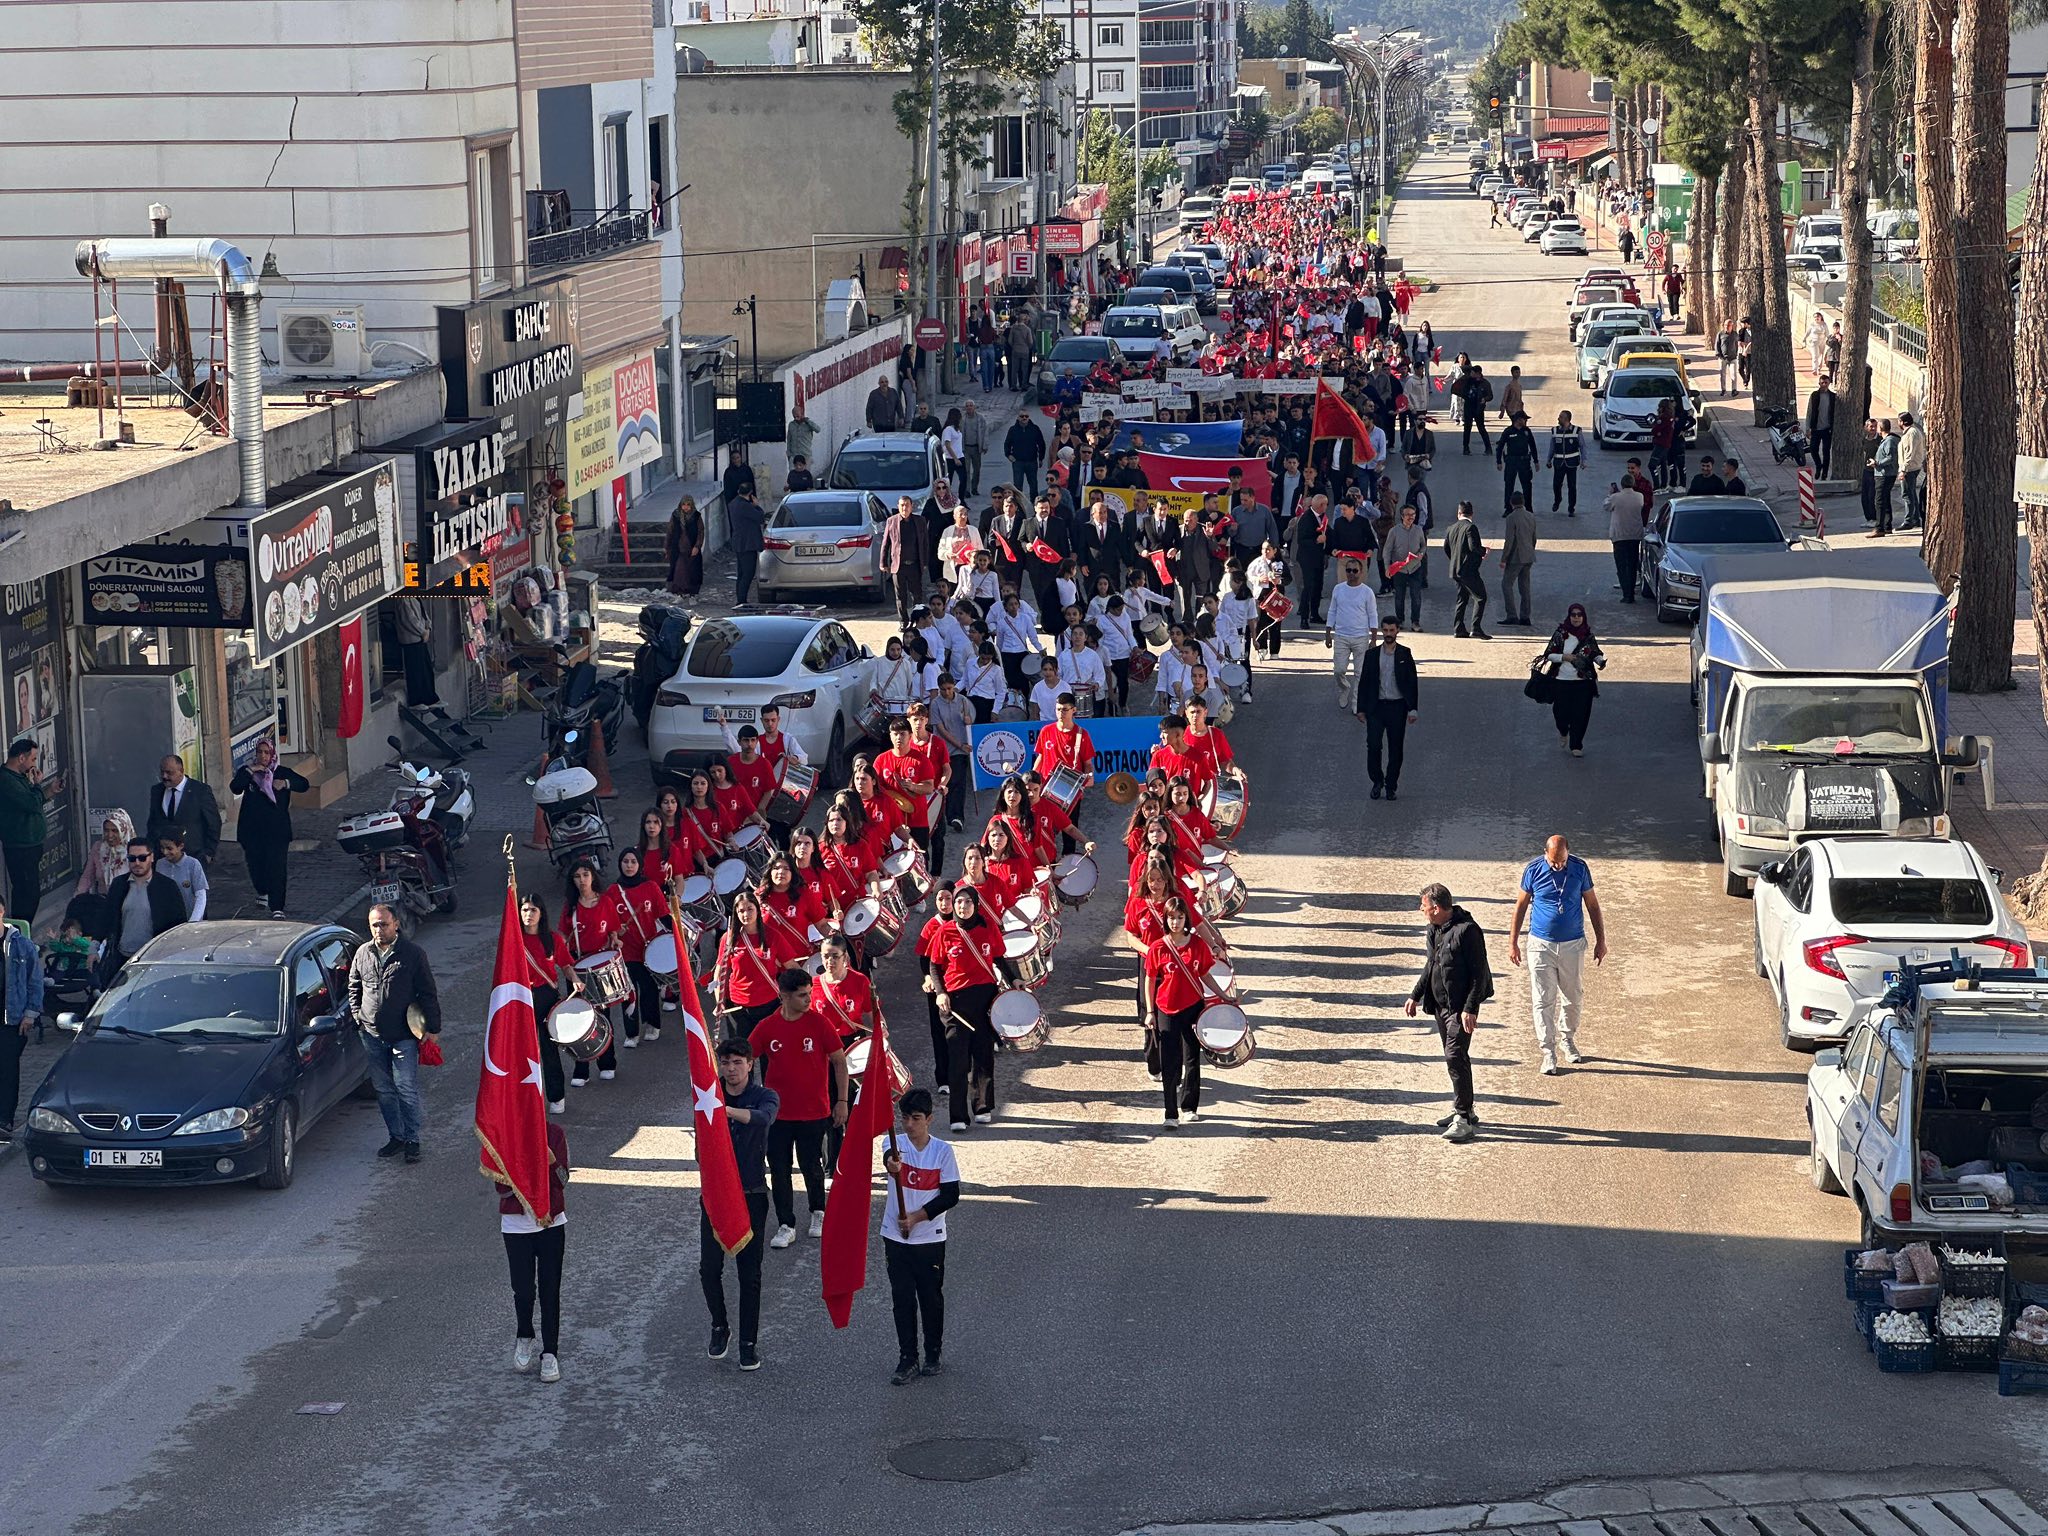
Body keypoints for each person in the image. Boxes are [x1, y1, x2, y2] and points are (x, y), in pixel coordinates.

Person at [750, 967, 848, 1249]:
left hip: (814, 1112)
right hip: (777, 1115)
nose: (808, 1000)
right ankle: (786, 1223)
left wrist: (841, 1102)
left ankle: (818, 1211)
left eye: (809, 994)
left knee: (811, 1165)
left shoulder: (819, 1023)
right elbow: (745, 1059)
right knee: (779, 1169)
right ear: (784, 997)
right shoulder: (768, 1027)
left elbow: (840, 1062)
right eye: (802, 995)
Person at [347, 902, 443, 1163]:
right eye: (374, 925)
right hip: (372, 1036)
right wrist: (358, 1016)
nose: (379, 930)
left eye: (383, 924)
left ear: (396, 924)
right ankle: (396, 1137)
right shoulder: (363, 953)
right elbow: (354, 986)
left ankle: (412, 1139)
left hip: (403, 1036)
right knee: (384, 1090)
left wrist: (432, 1029)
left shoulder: (412, 954)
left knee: (405, 1089)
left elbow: (428, 993)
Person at [704, 1037, 777, 1372]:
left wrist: (724, 1109)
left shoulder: (764, 1095)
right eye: (725, 1063)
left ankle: (749, 1343)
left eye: (737, 1063)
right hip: (715, 1194)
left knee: (750, 1275)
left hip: (751, 1194)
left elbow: (763, 1119)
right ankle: (721, 1325)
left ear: (750, 1065)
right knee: (709, 1269)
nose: (730, 1070)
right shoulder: (708, 1093)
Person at [1509, 834, 1608, 1076]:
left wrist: (1601, 940)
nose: (1558, 866)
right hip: (1540, 945)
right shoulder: (1533, 870)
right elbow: (1520, 906)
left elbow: (1592, 905)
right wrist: (1513, 942)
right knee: (1543, 1000)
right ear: (1546, 854)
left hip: (1572, 944)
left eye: (1562, 862)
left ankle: (1568, 1038)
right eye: (1554, 862)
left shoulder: (1580, 868)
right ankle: (1548, 1051)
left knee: (1573, 996)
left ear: (1568, 854)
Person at [1404, 882, 1493, 1144]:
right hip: (1440, 1006)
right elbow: (1430, 965)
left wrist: (1470, 1008)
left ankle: (1463, 1119)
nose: (1421, 909)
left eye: (1424, 906)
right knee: (1455, 1057)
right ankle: (1465, 1108)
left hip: (1460, 1008)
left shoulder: (1468, 931)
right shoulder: (1433, 929)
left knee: (1454, 1055)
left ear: (1436, 908)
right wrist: (1415, 994)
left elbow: (1479, 974)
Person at [882, 1086, 960, 1384]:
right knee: (902, 1298)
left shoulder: (942, 1151)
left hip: (929, 1238)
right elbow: (890, 1158)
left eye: (916, 1118)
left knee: (930, 1298)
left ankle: (933, 1352)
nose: (909, 1125)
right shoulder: (895, 1143)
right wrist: (892, 1165)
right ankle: (907, 1358)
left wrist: (916, 1217)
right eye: (905, 1118)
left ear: (929, 1118)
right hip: (895, 1237)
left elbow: (950, 1195)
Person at [500, 1119, 569, 1384]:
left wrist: (550, 1161)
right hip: (516, 1225)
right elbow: (501, 1187)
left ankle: (550, 1352)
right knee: (524, 1289)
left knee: (550, 1290)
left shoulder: (555, 1133)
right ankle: (524, 1334)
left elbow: (563, 1179)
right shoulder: (504, 1135)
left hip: (551, 1223)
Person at [1140, 896, 1217, 1128]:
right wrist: (1150, 1011)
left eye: (1180, 917)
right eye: (1171, 918)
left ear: (1186, 919)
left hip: (1193, 1007)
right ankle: (1170, 1113)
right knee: (1170, 1062)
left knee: (1192, 1059)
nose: (1175, 922)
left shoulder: (1197, 945)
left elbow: (1204, 974)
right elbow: (1150, 980)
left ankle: (1189, 1107)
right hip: (1166, 1009)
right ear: (1166, 919)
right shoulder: (1158, 947)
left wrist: (1224, 995)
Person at [229, 738, 309, 916]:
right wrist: (251, 771)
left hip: (276, 831)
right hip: (252, 831)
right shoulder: (248, 773)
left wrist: (286, 783)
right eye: (259, 752)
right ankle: (262, 891)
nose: (263, 756)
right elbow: (235, 787)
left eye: (266, 753)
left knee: (277, 868)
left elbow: (304, 784)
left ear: (272, 754)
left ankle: (277, 906)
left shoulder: (282, 772)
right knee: (256, 865)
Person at [98, 839, 186, 984]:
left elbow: (179, 924)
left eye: (142, 858)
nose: (137, 863)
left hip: (154, 959)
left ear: (151, 858)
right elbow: (107, 917)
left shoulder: (167, 887)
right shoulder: (119, 884)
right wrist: (94, 946)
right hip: (123, 957)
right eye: (132, 859)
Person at [1354, 616, 1419, 801]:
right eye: (1385, 630)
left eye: (1392, 630)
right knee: (1373, 746)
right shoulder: (1372, 655)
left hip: (1397, 708)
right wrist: (1361, 708)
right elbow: (1364, 682)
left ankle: (1391, 786)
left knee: (1395, 749)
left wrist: (1413, 709)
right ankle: (1377, 781)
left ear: (1398, 630)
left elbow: (1411, 683)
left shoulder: (1405, 654)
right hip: (1376, 707)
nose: (1388, 634)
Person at [0, 888, 45, 1142]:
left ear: (2, 912)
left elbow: (35, 981)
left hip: (12, 1018)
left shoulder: (20, 945)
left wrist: (30, 1014)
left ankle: (5, 1118)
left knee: (7, 1069)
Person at [0, 737, 56, 918]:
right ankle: (20, 937)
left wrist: (49, 790)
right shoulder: (6, 780)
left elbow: (34, 802)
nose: (34, 763)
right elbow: (30, 803)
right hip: (20, 846)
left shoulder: (20, 777)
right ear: (21, 758)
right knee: (27, 894)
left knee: (30, 892)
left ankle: (23, 935)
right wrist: (38, 787)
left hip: (31, 843)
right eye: (32, 759)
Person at [1541, 604, 1606, 755]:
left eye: (1579, 615)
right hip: (1561, 680)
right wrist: (1564, 657)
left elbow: (1595, 653)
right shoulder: (1560, 633)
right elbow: (1549, 654)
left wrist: (1600, 661)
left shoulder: (1588, 636)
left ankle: (1576, 745)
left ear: (1583, 617)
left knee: (1581, 714)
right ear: (1569, 616)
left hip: (1583, 682)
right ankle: (1563, 731)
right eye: (1573, 615)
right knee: (1561, 713)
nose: (1576, 617)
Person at [1324, 556, 1380, 708]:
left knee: (1360, 673)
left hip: (1361, 637)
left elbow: (1373, 616)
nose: (1351, 573)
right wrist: (1328, 633)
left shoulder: (1367, 592)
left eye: (1355, 570)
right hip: (1341, 636)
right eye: (1348, 570)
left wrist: (1373, 639)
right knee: (1339, 670)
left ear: (1361, 572)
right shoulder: (1338, 589)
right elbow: (1332, 611)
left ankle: (1356, 701)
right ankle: (1344, 688)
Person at [145, 755, 221, 866]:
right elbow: (153, 822)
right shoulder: (157, 791)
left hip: (192, 855)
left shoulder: (200, 791)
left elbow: (213, 823)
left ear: (181, 771)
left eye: (169, 773)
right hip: (163, 857)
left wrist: (209, 853)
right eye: (162, 772)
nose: (164, 776)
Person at [1443, 501, 1490, 640]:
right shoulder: (1471, 528)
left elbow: (1446, 547)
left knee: (1462, 598)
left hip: (1455, 570)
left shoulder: (1450, 528)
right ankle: (1476, 628)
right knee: (1481, 597)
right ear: (1472, 514)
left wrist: (1454, 560)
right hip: (1468, 571)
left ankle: (1458, 628)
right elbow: (1473, 547)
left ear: (1459, 513)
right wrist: (1484, 551)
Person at [1604, 476, 1647, 603]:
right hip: (1634, 534)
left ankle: (1626, 593)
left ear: (1622, 485)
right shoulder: (1639, 496)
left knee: (1622, 565)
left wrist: (1610, 494)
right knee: (1633, 564)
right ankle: (1631, 591)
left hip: (1620, 535)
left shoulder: (1615, 497)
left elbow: (1606, 506)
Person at [1498, 496, 1537, 627]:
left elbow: (1509, 540)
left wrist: (1504, 559)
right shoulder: (1531, 516)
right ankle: (1525, 617)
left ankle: (1512, 615)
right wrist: (1531, 551)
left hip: (1516, 557)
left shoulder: (1511, 518)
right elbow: (1534, 538)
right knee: (1525, 587)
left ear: (1511, 503)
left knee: (1506, 584)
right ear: (1523, 502)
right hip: (1529, 556)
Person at [154, 829, 208, 921]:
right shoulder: (160, 864)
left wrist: (194, 920)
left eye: (169, 848)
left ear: (180, 846)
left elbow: (201, 895)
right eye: (162, 848)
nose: (165, 852)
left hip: (189, 917)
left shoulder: (193, 864)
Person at [394, 594, 437, 706]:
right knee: (415, 671)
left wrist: (428, 627)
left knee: (425, 668)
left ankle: (430, 697)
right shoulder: (403, 599)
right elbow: (409, 619)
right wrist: (422, 631)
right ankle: (417, 701)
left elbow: (424, 614)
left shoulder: (415, 597)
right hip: (411, 639)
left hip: (421, 638)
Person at [728, 486, 767, 605]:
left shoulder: (733, 503)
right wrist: (756, 505)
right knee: (748, 573)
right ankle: (742, 600)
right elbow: (760, 517)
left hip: (739, 542)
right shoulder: (745, 506)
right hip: (748, 543)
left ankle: (741, 599)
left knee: (742, 573)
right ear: (750, 493)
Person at [664, 494, 705, 597]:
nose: (686, 507)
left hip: (691, 548)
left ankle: (692, 595)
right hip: (678, 548)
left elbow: (700, 532)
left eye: (688, 505)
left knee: (693, 572)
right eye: (684, 504)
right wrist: (667, 547)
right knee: (679, 573)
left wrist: (697, 546)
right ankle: (680, 594)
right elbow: (670, 531)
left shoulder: (696, 516)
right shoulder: (676, 516)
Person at [1547, 409, 1582, 516]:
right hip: (1558, 463)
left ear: (1566, 419)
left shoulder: (1576, 431)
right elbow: (1552, 447)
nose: (1558, 418)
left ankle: (1571, 508)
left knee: (1572, 486)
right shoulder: (1555, 431)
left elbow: (1583, 446)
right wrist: (1549, 459)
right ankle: (1557, 500)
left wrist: (1584, 461)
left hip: (1572, 463)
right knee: (1556, 485)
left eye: (1560, 417)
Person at [1005, 410, 1046, 499]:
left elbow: (1041, 443)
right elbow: (1007, 443)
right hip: (1018, 461)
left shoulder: (1035, 429)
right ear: (1018, 417)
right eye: (1022, 416)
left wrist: (1041, 458)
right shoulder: (1013, 430)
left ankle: (1034, 503)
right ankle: (1019, 504)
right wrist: (1008, 455)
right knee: (1018, 485)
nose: (1024, 418)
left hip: (1031, 461)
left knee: (1033, 484)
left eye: (1026, 416)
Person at [1870, 418, 1900, 537]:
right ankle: (1887, 526)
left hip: (1884, 474)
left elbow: (1890, 457)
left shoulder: (1889, 441)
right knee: (1885, 499)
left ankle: (1879, 528)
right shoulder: (1887, 440)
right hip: (1883, 473)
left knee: (1880, 501)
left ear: (1880, 429)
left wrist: (1877, 463)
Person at [1805, 373, 1838, 481]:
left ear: (1829, 383)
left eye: (1826, 382)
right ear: (1819, 383)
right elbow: (1809, 412)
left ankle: (1824, 473)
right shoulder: (1814, 395)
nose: (1824, 384)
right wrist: (1808, 428)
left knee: (1826, 451)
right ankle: (1819, 466)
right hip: (1816, 428)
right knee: (1813, 449)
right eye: (1822, 382)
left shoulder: (1833, 397)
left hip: (1827, 429)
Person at [1897, 411, 1926, 531]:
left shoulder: (1911, 433)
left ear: (1903, 422)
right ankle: (1915, 518)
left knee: (1907, 494)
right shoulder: (1910, 432)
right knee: (1911, 493)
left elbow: (1909, 453)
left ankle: (1909, 520)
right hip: (1911, 467)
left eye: (1898, 421)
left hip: (1910, 468)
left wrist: (1904, 470)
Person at [1713, 320, 1740, 395]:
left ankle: (1734, 390)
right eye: (1725, 325)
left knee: (1733, 374)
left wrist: (1735, 353)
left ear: (1732, 326)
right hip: (1723, 358)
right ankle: (1723, 389)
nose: (1727, 327)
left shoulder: (1735, 334)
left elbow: (1736, 344)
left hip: (1733, 358)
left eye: (1728, 325)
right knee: (1723, 374)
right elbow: (1717, 344)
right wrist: (1719, 355)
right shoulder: (1720, 334)